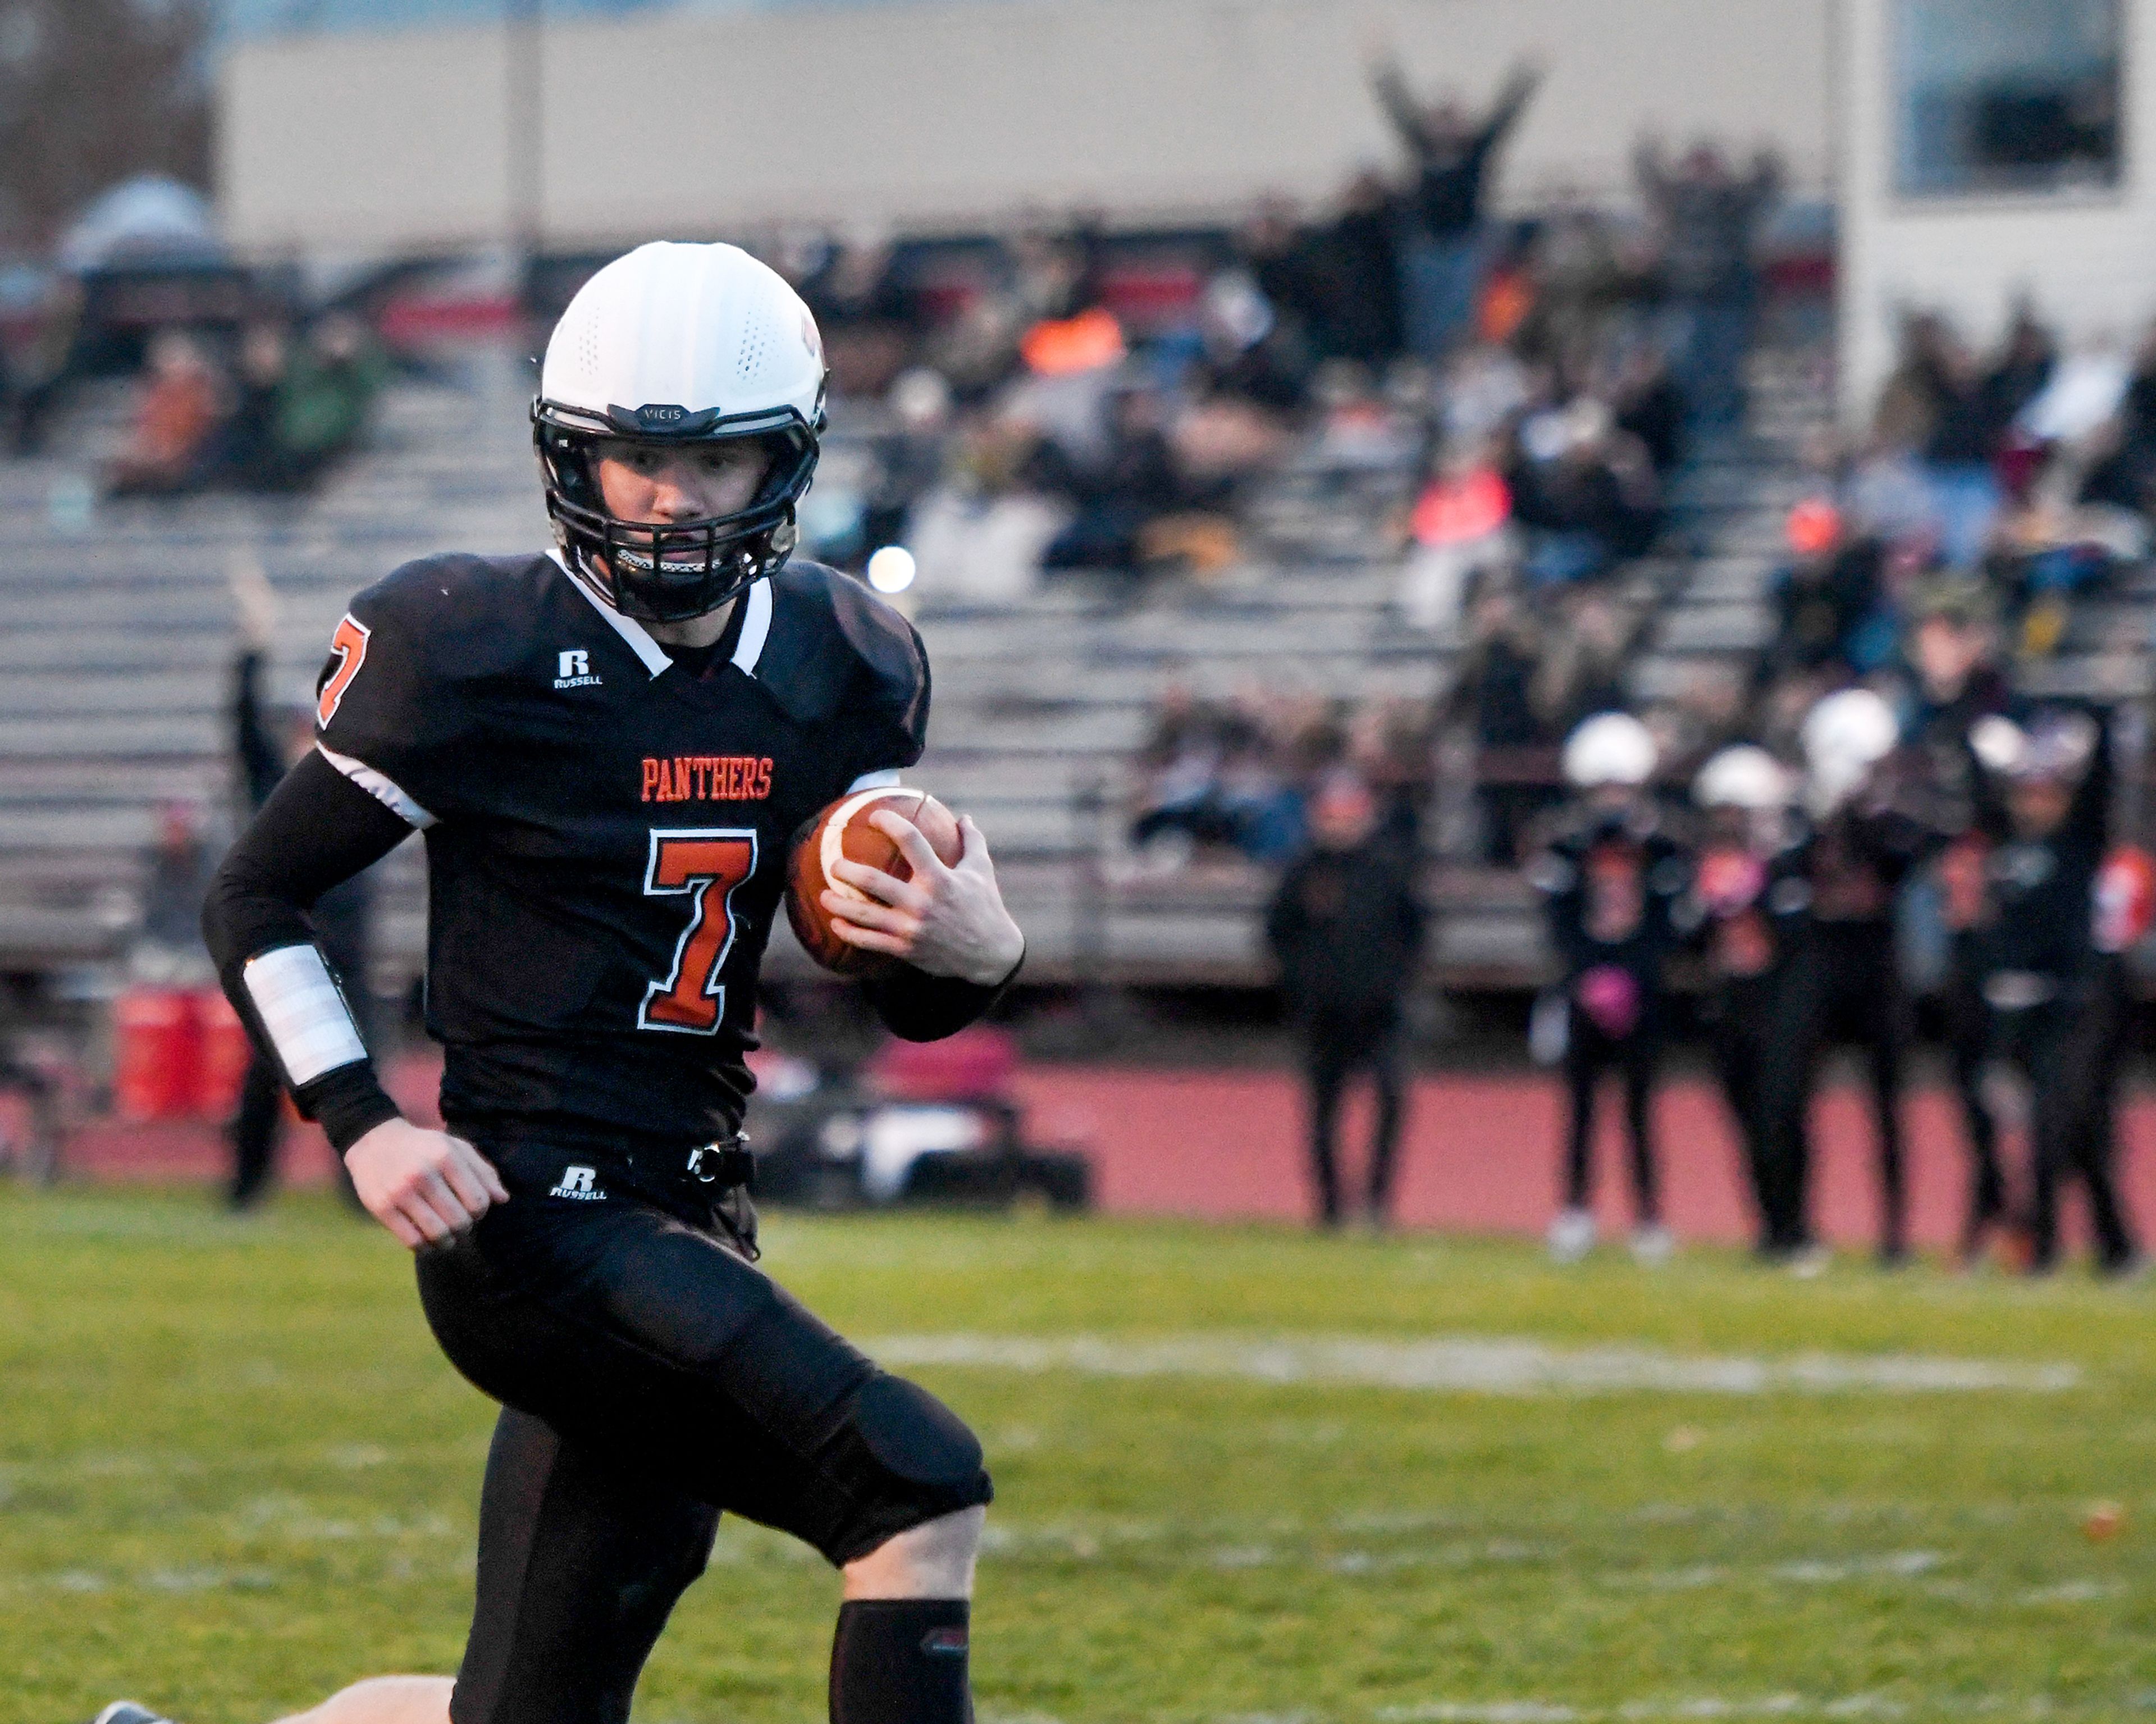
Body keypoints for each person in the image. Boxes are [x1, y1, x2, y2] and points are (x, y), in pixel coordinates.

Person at [161, 243, 1025, 1724]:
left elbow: (912, 997)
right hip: (535, 1224)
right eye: (634, 459)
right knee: (915, 1481)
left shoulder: (845, 655)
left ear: (788, 454)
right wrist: (366, 1116)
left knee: (529, 1706)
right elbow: (256, 888)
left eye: (714, 457)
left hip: (694, 1209)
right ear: (574, 455)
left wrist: (979, 949)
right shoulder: (468, 643)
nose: (670, 497)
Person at [1760, 689, 1936, 1268]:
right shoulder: (1797, 813)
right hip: (1819, 955)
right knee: (1787, 1092)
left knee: (1888, 1102)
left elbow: (1901, 863)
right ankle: (1790, 1227)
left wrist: (1858, 814)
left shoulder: (1892, 817)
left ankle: (1895, 1235)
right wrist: (1822, 817)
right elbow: (1783, 885)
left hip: (1875, 958)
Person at [223, 565, 377, 1212]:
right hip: (291, 947)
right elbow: (241, 729)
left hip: (344, 948)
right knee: (268, 1071)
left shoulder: (354, 785)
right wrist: (254, 644)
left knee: (358, 1073)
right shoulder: (274, 790)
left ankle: (359, 1185)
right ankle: (246, 1184)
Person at [1970, 708, 2139, 1276]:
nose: (2036, 802)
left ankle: (2039, 1250)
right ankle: (2118, 1246)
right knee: (2083, 1133)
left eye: (2047, 792)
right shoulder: (2004, 843)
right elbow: (1979, 782)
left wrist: (2099, 719)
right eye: (2028, 792)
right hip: (2016, 1009)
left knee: (2051, 1128)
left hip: (2071, 1005)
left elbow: (2101, 786)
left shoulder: (2079, 844)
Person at [1531, 713, 1686, 1265]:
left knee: (1641, 1109)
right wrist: (1589, 974)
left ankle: (1648, 1216)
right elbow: (1556, 919)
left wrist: (1633, 974)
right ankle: (1576, 1210)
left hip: (1641, 994)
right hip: (1583, 991)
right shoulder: (1567, 846)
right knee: (1580, 1109)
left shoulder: (1662, 848)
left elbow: (1669, 924)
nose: (1613, 798)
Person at [1901, 581, 2015, 1263]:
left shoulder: (1996, 711)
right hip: (1952, 910)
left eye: (1947, 635)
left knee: (2012, 1073)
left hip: (1999, 913)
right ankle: (1992, 1206)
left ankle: (2016, 1211)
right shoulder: (1924, 716)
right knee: (1967, 1067)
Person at [1264, 769, 1424, 1228]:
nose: (1339, 826)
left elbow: (1414, 933)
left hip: (1381, 1012)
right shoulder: (1302, 871)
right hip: (1322, 1014)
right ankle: (1330, 1208)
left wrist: (1392, 983)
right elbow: (1278, 935)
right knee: (1323, 1112)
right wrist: (1304, 985)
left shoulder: (1389, 868)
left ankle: (1377, 1203)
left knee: (1391, 1099)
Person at [1687, 745, 1799, 1256]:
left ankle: (1792, 1225)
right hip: (1728, 1003)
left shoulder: (1786, 868)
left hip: (1777, 1003)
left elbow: (1798, 937)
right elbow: (1689, 941)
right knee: (1741, 1118)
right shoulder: (1705, 868)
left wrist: (1756, 894)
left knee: (1780, 1114)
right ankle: (1765, 1227)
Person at [1371, 54, 1542, 361]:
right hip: (1424, 247)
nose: (1445, 128)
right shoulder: (1421, 149)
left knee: (1462, 308)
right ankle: (1425, 359)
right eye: (1440, 120)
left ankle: (1461, 359)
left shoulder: (1474, 154)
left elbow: (1504, 119)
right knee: (1422, 308)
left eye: (1451, 121)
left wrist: (1527, 75)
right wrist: (1382, 68)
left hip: (1465, 246)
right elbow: (1399, 110)